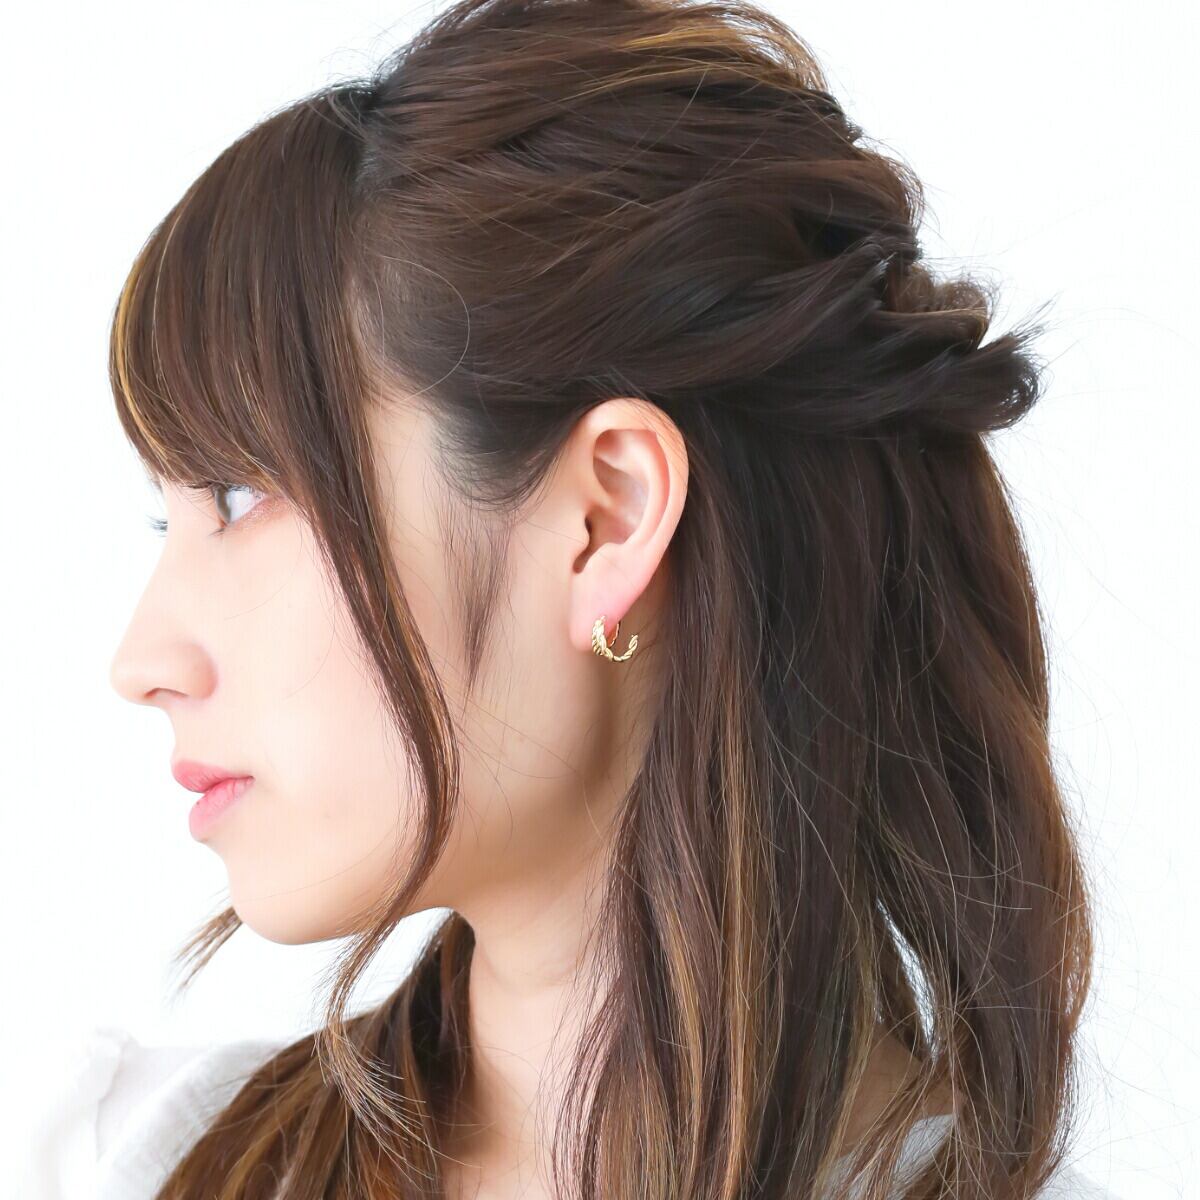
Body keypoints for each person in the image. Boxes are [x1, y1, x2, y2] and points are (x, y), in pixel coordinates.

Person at [29, 0, 1125, 1196]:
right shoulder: (130, 1163)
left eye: (241, 497)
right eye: (169, 519)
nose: (141, 659)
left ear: (607, 516)